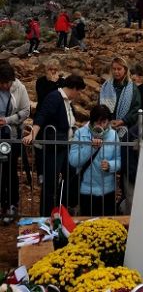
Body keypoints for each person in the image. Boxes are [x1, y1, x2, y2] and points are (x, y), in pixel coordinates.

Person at [23, 74, 86, 216]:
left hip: (65, 146)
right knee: (50, 182)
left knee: (70, 176)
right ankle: (46, 214)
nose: (79, 95)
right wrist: (32, 134)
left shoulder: (67, 102)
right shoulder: (54, 97)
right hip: (54, 148)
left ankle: (61, 208)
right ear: (74, 88)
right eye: (79, 91)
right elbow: (41, 115)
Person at [69, 104, 121, 216]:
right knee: (88, 224)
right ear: (92, 121)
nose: (101, 125)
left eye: (104, 122)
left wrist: (111, 165)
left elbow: (119, 160)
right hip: (86, 190)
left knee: (107, 225)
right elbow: (73, 160)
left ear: (108, 122)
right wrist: (91, 148)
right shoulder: (80, 134)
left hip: (108, 189)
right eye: (97, 122)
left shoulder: (113, 135)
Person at [0, 62, 30, 223]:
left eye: (7, 83)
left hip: (11, 135)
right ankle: (2, 204)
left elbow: (26, 111)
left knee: (10, 171)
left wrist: (7, 120)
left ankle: (12, 204)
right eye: (2, 83)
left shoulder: (20, 88)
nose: (5, 86)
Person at [35, 58, 66, 182]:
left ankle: (56, 173)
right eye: (50, 69)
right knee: (39, 147)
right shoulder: (40, 82)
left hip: (56, 120)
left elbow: (61, 99)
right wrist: (52, 83)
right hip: (42, 118)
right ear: (46, 70)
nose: (53, 72)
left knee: (55, 148)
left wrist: (55, 83)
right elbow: (44, 98)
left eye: (55, 70)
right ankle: (41, 173)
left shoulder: (63, 82)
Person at [99, 56, 141, 138]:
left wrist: (123, 121)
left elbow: (135, 109)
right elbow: (100, 106)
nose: (116, 72)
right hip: (106, 126)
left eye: (119, 69)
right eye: (114, 69)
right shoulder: (106, 87)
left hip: (125, 128)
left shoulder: (132, 89)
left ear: (125, 70)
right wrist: (106, 122)